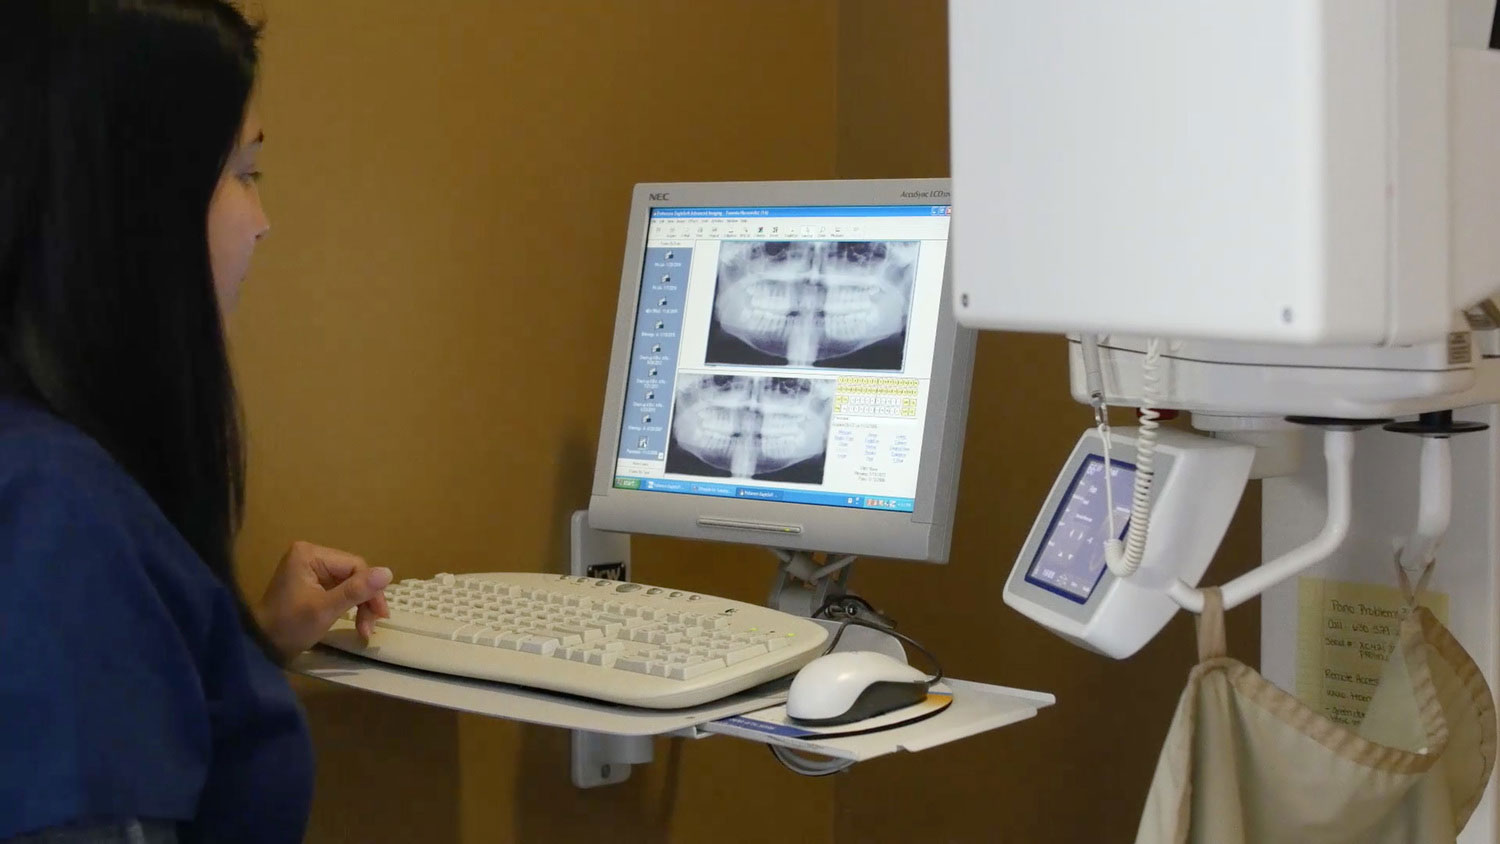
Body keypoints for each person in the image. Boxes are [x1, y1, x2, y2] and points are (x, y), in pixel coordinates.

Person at [0, 2, 391, 841]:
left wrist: (232, 649)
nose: (262, 220)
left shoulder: (41, 480)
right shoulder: (58, 521)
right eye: (244, 172)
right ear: (134, 206)